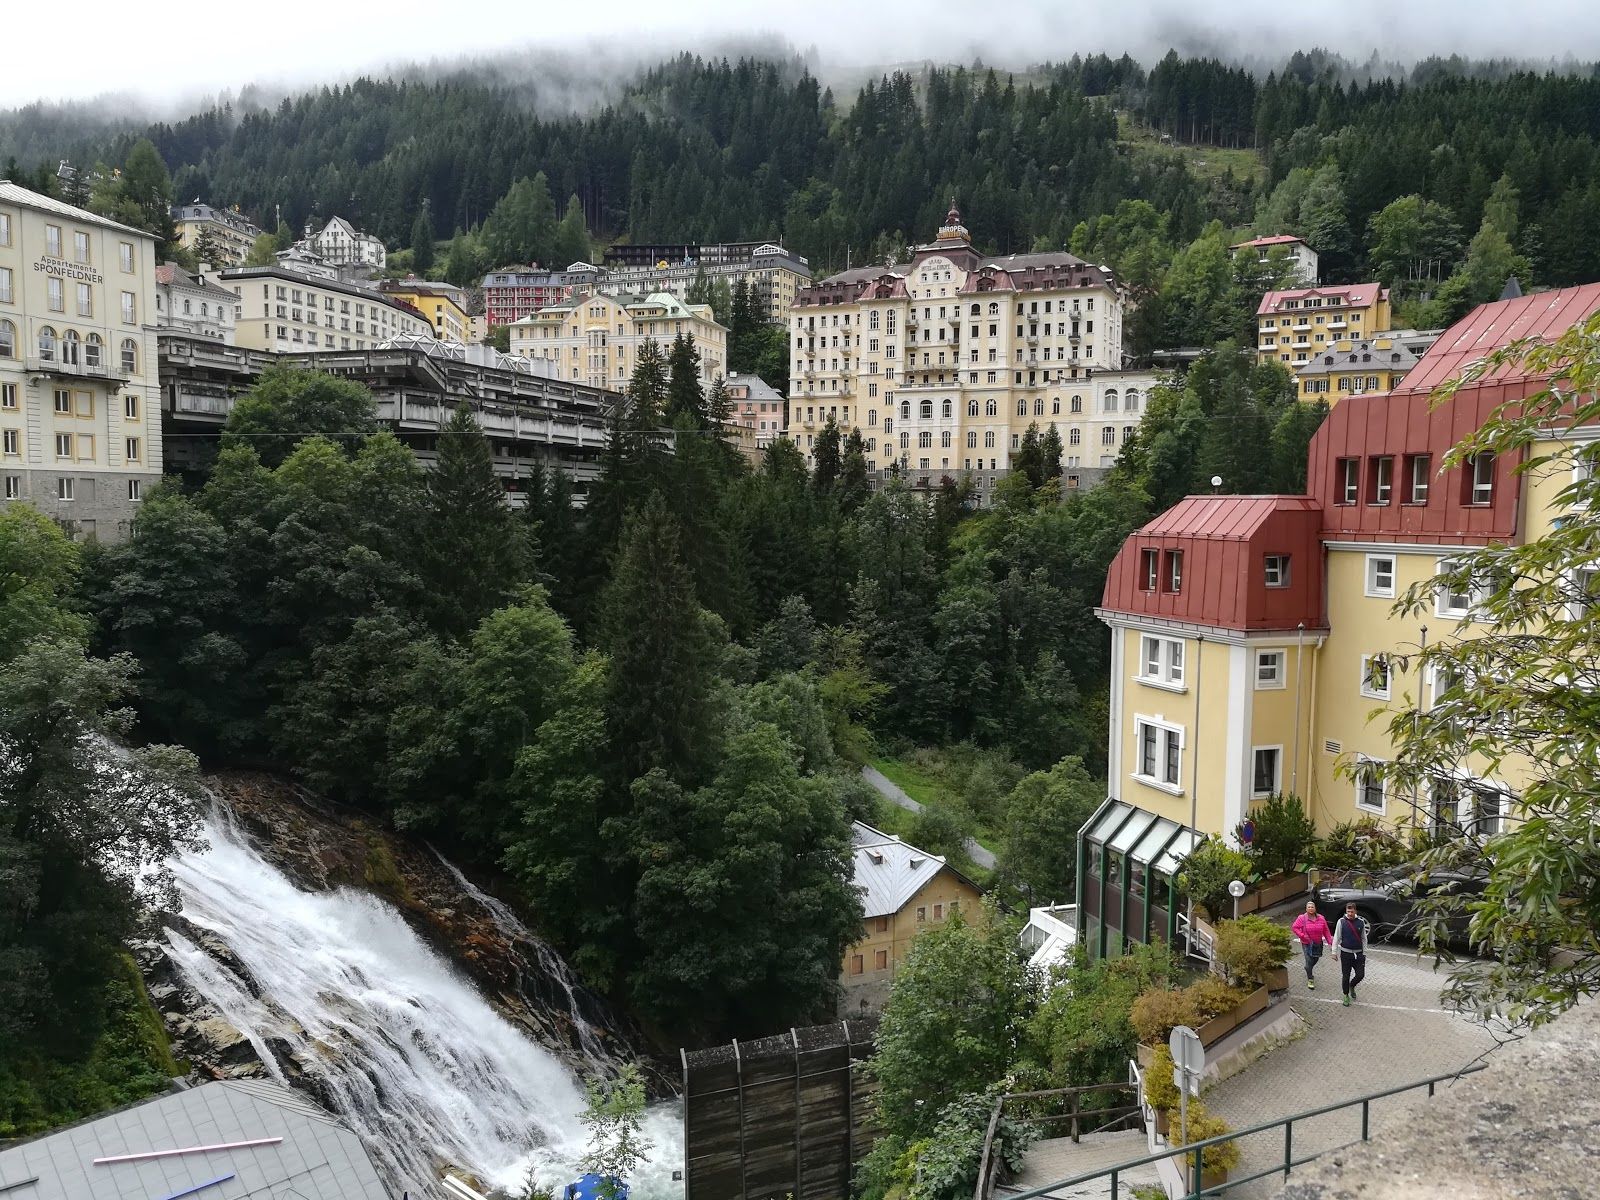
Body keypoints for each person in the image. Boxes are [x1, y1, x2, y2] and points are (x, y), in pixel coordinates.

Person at [1332, 902, 1371, 1006]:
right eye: (1348, 911)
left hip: (1358, 954)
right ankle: (1345, 995)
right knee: (1346, 976)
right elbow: (1336, 937)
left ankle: (1352, 985)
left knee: (1360, 975)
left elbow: (1364, 939)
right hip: (1346, 954)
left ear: (1355, 911)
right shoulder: (1341, 922)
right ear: (1346, 911)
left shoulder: (1361, 922)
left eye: (1351, 911)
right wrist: (1334, 952)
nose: (1349, 913)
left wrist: (1364, 953)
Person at [1291, 900, 1333, 989]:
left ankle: (1308, 968)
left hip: (1318, 943)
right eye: (1308, 907)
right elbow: (1295, 927)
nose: (1310, 908)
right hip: (1307, 943)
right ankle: (1310, 978)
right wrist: (1302, 935)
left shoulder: (1321, 918)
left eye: (1312, 907)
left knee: (1315, 959)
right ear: (1306, 909)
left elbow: (1326, 931)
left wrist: (1330, 942)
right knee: (1309, 961)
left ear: (1315, 908)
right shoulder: (1302, 918)